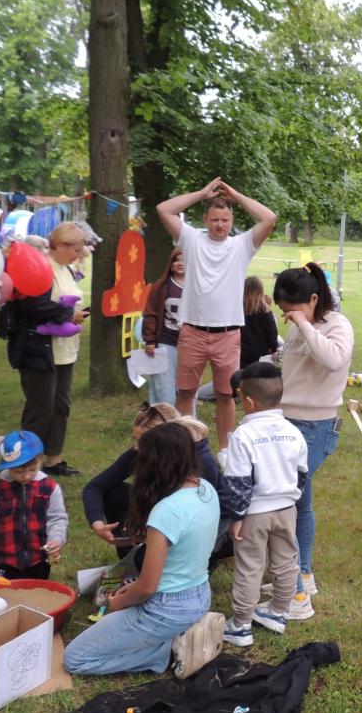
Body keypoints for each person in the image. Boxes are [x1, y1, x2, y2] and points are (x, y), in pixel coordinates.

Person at [64, 424, 219, 676]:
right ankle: (172, 638)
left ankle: (164, 653)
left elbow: (147, 587)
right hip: (200, 595)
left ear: (155, 462)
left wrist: (119, 602)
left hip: (164, 609)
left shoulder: (166, 511)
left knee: (75, 659)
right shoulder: (205, 489)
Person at [156, 178, 277, 447]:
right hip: (192, 332)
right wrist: (201, 194)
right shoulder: (190, 239)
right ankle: (187, 447)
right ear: (205, 220)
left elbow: (269, 218)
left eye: (225, 220)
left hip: (227, 334)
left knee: (226, 395)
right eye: (214, 220)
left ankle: (225, 450)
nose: (219, 225)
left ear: (231, 221)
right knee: (186, 392)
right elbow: (164, 209)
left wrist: (237, 196)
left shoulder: (242, 245)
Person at [273, 261, 354, 619]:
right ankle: (302, 574)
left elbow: (334, 360)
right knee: (300, 503)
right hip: (287, 420)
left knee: (282, 506)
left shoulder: (337, 324)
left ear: (314, 299)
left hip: (314, 426)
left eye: (293, 310)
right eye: (285, 311)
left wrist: (304, 325)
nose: (289, 317)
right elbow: (297, 366)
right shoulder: (299, 324)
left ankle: (295, 596)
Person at [220, 362, 307, 647]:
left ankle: (241, 625)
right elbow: (302, 474)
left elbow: (238, 482)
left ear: (247, 401)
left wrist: (236, 516)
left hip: (253, 513)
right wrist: (289, 499)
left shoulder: (243, 436)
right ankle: (279, 611)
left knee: (250, 566)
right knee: (286, 561)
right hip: (287, 510)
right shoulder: (293, 432)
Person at [81, 402, 221, 560]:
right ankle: (129, 561)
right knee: (114, 494)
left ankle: (144, 558)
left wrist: (149, 529)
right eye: (136, 440)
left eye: (143, 441)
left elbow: (202, 518)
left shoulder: (202, 463)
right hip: (162, 516)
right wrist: (98, 524)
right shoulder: (145, 451)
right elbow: (95, 487)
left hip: (195, 537)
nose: (136, 448)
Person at [10, 223, 92, 477]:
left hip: (64, 351)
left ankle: (53, 460)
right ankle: (25, 463)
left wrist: (75, 314)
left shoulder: (66, 268)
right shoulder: (41, 268)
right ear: (60, 245)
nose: (79, 254)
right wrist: (68, 314)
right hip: (39, 350)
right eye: (76, 249)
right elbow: (33, 305)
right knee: (40, 408)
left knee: (60, 406)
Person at [0, 430, 67, 580]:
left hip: (38, 561)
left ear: (40, 461)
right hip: (2, 562)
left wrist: (56, 539)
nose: (26, 476)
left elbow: (57, 518)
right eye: (18, 471)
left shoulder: (50, 488)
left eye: (32, 470)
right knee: (2, 594)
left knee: (35, 592)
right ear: (7, 466)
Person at [141, 248, 185, 408]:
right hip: (166, 342)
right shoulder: (161, 287)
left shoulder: (197, 286)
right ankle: (164, 417)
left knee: (187, 387)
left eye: (184, 260)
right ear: (171, 264)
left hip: (190, 344)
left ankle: (188, 418)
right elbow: (150, 314)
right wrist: (150, 340)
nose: (180, 263)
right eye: (176, 260)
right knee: (163, 386)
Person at [240, 275, 281, 369]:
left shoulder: (239, 311)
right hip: (260, 355)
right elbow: (272, 333)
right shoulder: (266, 312)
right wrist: (273, 348)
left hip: (242, 354)